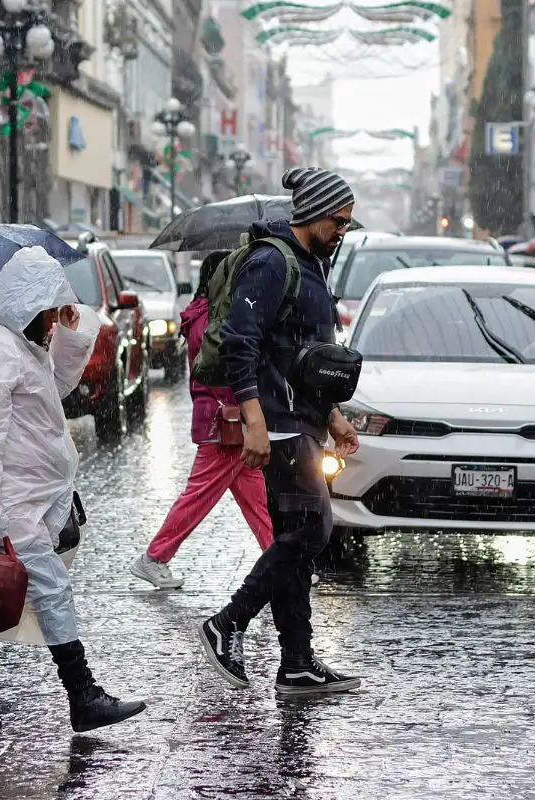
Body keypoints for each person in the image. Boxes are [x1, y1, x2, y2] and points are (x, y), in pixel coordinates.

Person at [0, 247, 145, 734]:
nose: (50, 321)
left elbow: (57, 386)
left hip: (19, 499)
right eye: (47, 311)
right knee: (48, 590)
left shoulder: (13, 344)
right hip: (8, 505)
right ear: (27, 304)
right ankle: (83, 695)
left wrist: (70, 328)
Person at [200, 167, 361, 697]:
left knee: (295, 539)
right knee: (312, 532)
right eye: (339, 220)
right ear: (314, 212)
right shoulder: (273, 262)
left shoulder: (314, 263)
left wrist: (333, 416)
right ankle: (229, 622)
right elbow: (239, 344)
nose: (344, 230)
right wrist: (253, 421)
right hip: (279, 425)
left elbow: (303, 355)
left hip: (303, 422)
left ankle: (296, 662)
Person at [131, 251, 274, 589]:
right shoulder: (209, 318)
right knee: (199, 497)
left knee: (258, 500)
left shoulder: (210, 313)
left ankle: (279, 559)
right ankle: (154, 557)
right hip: (221, 421)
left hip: (229, 420)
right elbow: (220, 362)